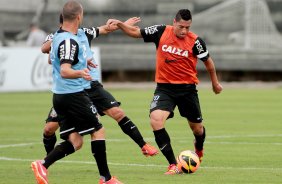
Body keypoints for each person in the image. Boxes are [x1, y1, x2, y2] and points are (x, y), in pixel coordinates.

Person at [108, 9, 223, 174]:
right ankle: (173, 165)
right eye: (181, 27)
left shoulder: (196, 41)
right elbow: (135, 32)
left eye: (187, 27)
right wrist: (120, 24)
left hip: (187, 90)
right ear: (174, 22)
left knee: (197, 129)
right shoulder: (161, 31)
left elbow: (209, 63)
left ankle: (199, 149)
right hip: (164, 88)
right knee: (155, 120)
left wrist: (215, 84)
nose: (184, 31)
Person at [41, 14, 158, 160]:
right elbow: (44, 48)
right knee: (49, 128)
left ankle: (143, 145)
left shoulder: (85, 32)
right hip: (72, 90)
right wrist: (58, 39)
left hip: (91, 85)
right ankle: (47, 160)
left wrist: (123, 24)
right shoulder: (57, 37)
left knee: (118, 113)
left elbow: (106, 29)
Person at [31, 1, 123, 184]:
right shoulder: (69, 40)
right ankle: (106, 178)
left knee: (76, 141)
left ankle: (42, 164)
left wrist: (82, 62)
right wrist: (81, 72)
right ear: (79, 17)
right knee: (98, 130)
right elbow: (65, 70)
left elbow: (52, 59)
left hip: (60, 96)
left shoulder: (57, 37)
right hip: (73, 95)